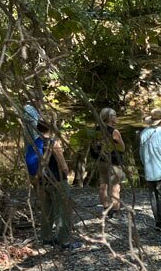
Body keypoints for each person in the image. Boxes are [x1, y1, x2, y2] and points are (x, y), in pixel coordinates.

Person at [34, 121, 80, 250]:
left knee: (46, 210)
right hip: (57, 180)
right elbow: (63, 166)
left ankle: (46, 239)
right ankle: (64, 241)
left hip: (42, 181)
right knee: (62, 211)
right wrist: (68, 173)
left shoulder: (36, 143)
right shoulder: (54, 144)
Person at [91, 107, 125, 212]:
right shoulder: (114, 132)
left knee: (103, 184)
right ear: (110, 118)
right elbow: (122, 148)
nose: (116, 118)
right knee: (115, 187)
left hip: (101, 161)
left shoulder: (96, 130)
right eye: (115, 116)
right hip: (113, 162)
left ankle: (106, 207)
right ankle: (115, 210)